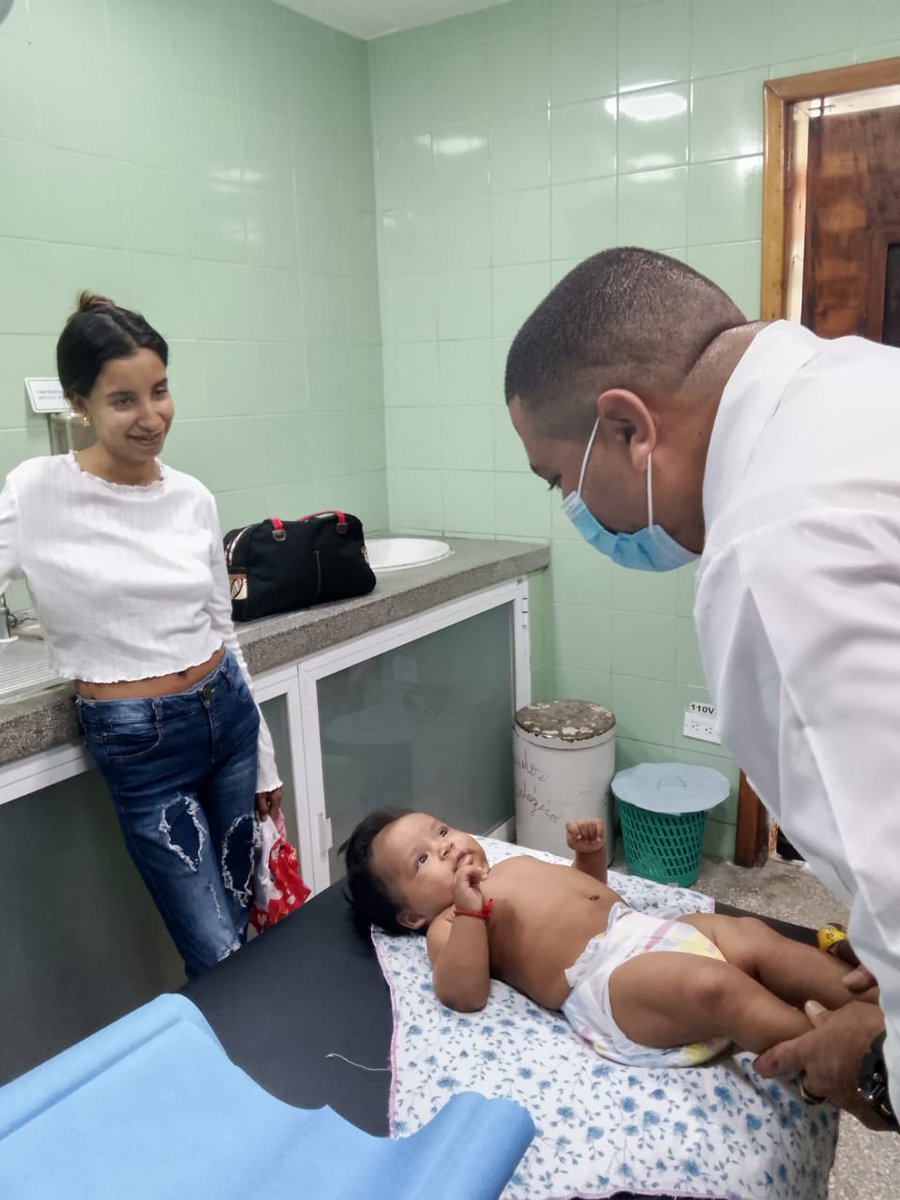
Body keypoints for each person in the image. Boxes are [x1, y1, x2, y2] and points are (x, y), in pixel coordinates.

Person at [503, 246, 900, 1128]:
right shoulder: (860, 380)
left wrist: (875, 1060)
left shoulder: (775, 549)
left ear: (629, 428)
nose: (570, 504)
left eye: (559, 477)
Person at [0, 293, 282, 977]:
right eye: (123, 400)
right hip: (139, 741)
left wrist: (266, 757)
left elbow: (224, 627)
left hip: (228, 716)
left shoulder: (190, 496)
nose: (151, 416)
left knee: (251, 915)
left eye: (160, 390)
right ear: (80, 404)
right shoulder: (35, 490)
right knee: (215, 951)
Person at [342, 810, 871, 1072]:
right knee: (714, 987)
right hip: (607, 982)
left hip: (638, 929)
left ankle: (871, 1002)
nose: (446, 848)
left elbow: (591, 898)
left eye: (440, 832)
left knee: (753, 936)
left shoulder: (518, 863)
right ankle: (846, 1053)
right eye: (422, 861)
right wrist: (470, 910)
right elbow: (463, 991)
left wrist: (590, 858)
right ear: (411, 915)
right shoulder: (448, 924)